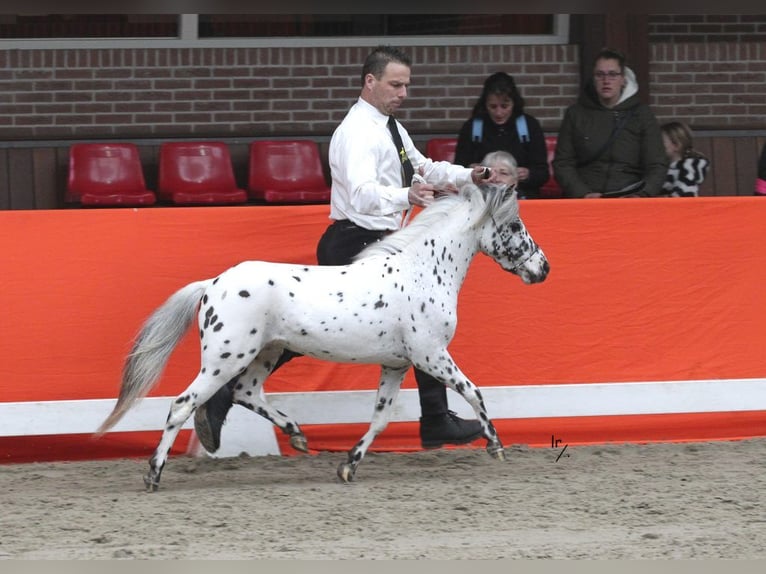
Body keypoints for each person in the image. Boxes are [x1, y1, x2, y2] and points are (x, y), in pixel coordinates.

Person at [194, 45, 494, 454]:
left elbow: (425, 166)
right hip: (357, 239)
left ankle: (226, 389)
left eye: (406, 85)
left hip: (379, 241)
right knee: (422, 324)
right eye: (395, 84)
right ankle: (436, 419)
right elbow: (363, 193)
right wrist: (409, 196)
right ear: (370, 81)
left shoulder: (391, 127)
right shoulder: (356, 132)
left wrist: (467, 175)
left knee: (301, 332)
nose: (403, 92)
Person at [552, 48, 668, 198]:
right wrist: (583, 194)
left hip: (630, 195)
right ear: (593, 79)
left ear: (623, 79)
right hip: (586, 197)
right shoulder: (576, 114)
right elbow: (563, 163)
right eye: (600, 75)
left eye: (613, 74)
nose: (606, 81)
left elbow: (656, 164)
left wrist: (642, 195)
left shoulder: (642, 114)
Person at [454, 72, 549, 199]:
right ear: (485, 104)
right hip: (480, 197)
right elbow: (457, 170)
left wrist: (528, 175)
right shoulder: (472, 127)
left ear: (514, 103)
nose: (499, 113)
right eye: (493, 106)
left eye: (504, 106)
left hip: (522, 197)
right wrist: (470, 171)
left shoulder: (529, 126)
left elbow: (543, 172)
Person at [659, 121, 710, 197]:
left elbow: (686, 193)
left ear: (676, 145)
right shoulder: (664, 167)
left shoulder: (686, 168)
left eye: (661, 142)